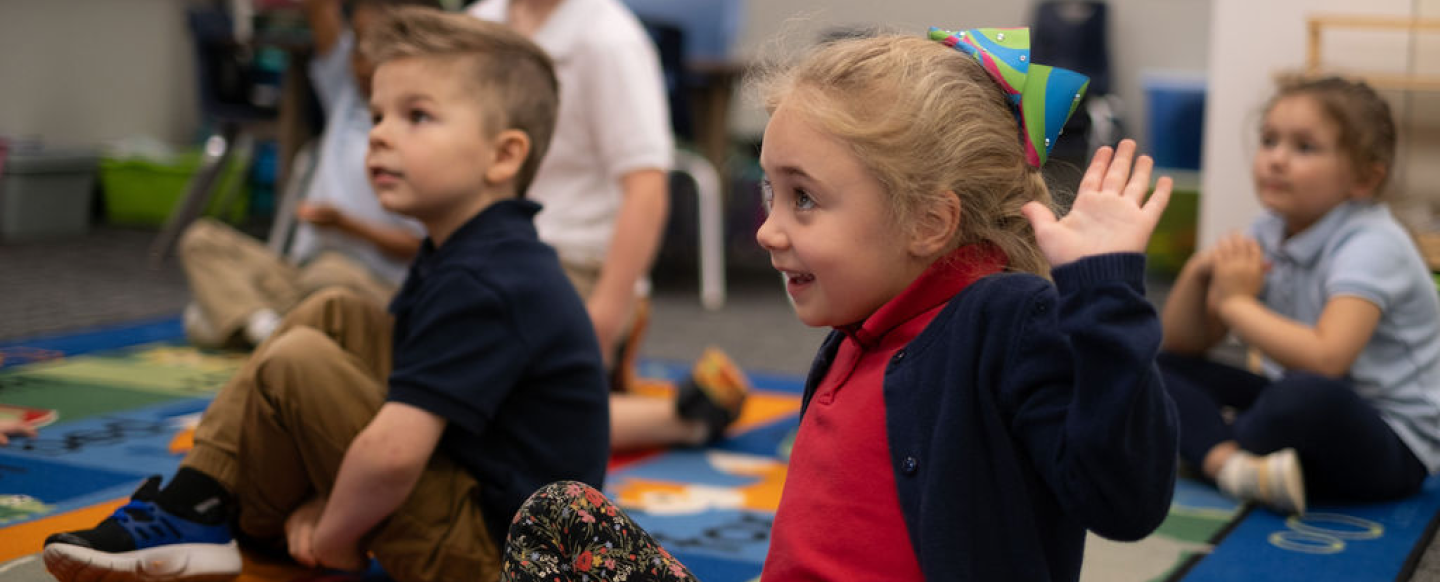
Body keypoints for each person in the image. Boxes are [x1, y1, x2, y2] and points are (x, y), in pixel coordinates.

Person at [498, 28, 1180, 581]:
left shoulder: (1006, 316)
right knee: (561, 520)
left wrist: (1105, 300)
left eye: (804, 198)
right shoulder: (862, 332)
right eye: (770, 192)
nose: (767, 230)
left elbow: (1122, 500)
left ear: (928, 223)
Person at [43, 9, 608, 582]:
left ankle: (225, 511)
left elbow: (394, 452)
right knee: (334, 311)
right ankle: (201, 498)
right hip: (469, 491)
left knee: (299, 362)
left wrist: (335, 531)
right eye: (379, 114)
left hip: (499, 556)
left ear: (503, 155)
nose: (381, 133)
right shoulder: (469, 250)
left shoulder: (488, 279)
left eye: (417, 116)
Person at [466, 0, 749, 452]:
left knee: (481, 416)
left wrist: (603, 319)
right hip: (488, 258)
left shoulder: (609, 39)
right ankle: (652, 408)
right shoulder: (480, 23)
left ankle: (683, 417)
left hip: (574, 263)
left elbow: (647, 190)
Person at [1158, 76, 1440, 516]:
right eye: (1269, 141)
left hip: (1393, 445)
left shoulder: (1373, 244)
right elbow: (1185, 342)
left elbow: (1328, 359)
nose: (1276, 160)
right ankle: (1231, 464)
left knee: (1304, 395)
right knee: (1153, 364)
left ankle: (1214, 442)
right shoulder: (1270, 228)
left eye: (1304, 148)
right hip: (1294, 402)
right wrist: (1199, 271)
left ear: (1364, 179)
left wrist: (1236, 303)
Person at [177, 0, 434, 348]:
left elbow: (427, 245)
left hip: (366, 283)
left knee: (329, 277)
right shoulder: (346, 96)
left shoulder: (430, 135)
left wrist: (346, 226)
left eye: (377, 47)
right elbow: (321, 11)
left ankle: (253, 323)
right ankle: (269, 326)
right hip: (303, 273)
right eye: (357, 44)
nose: (360, 60)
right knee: (202, 239)